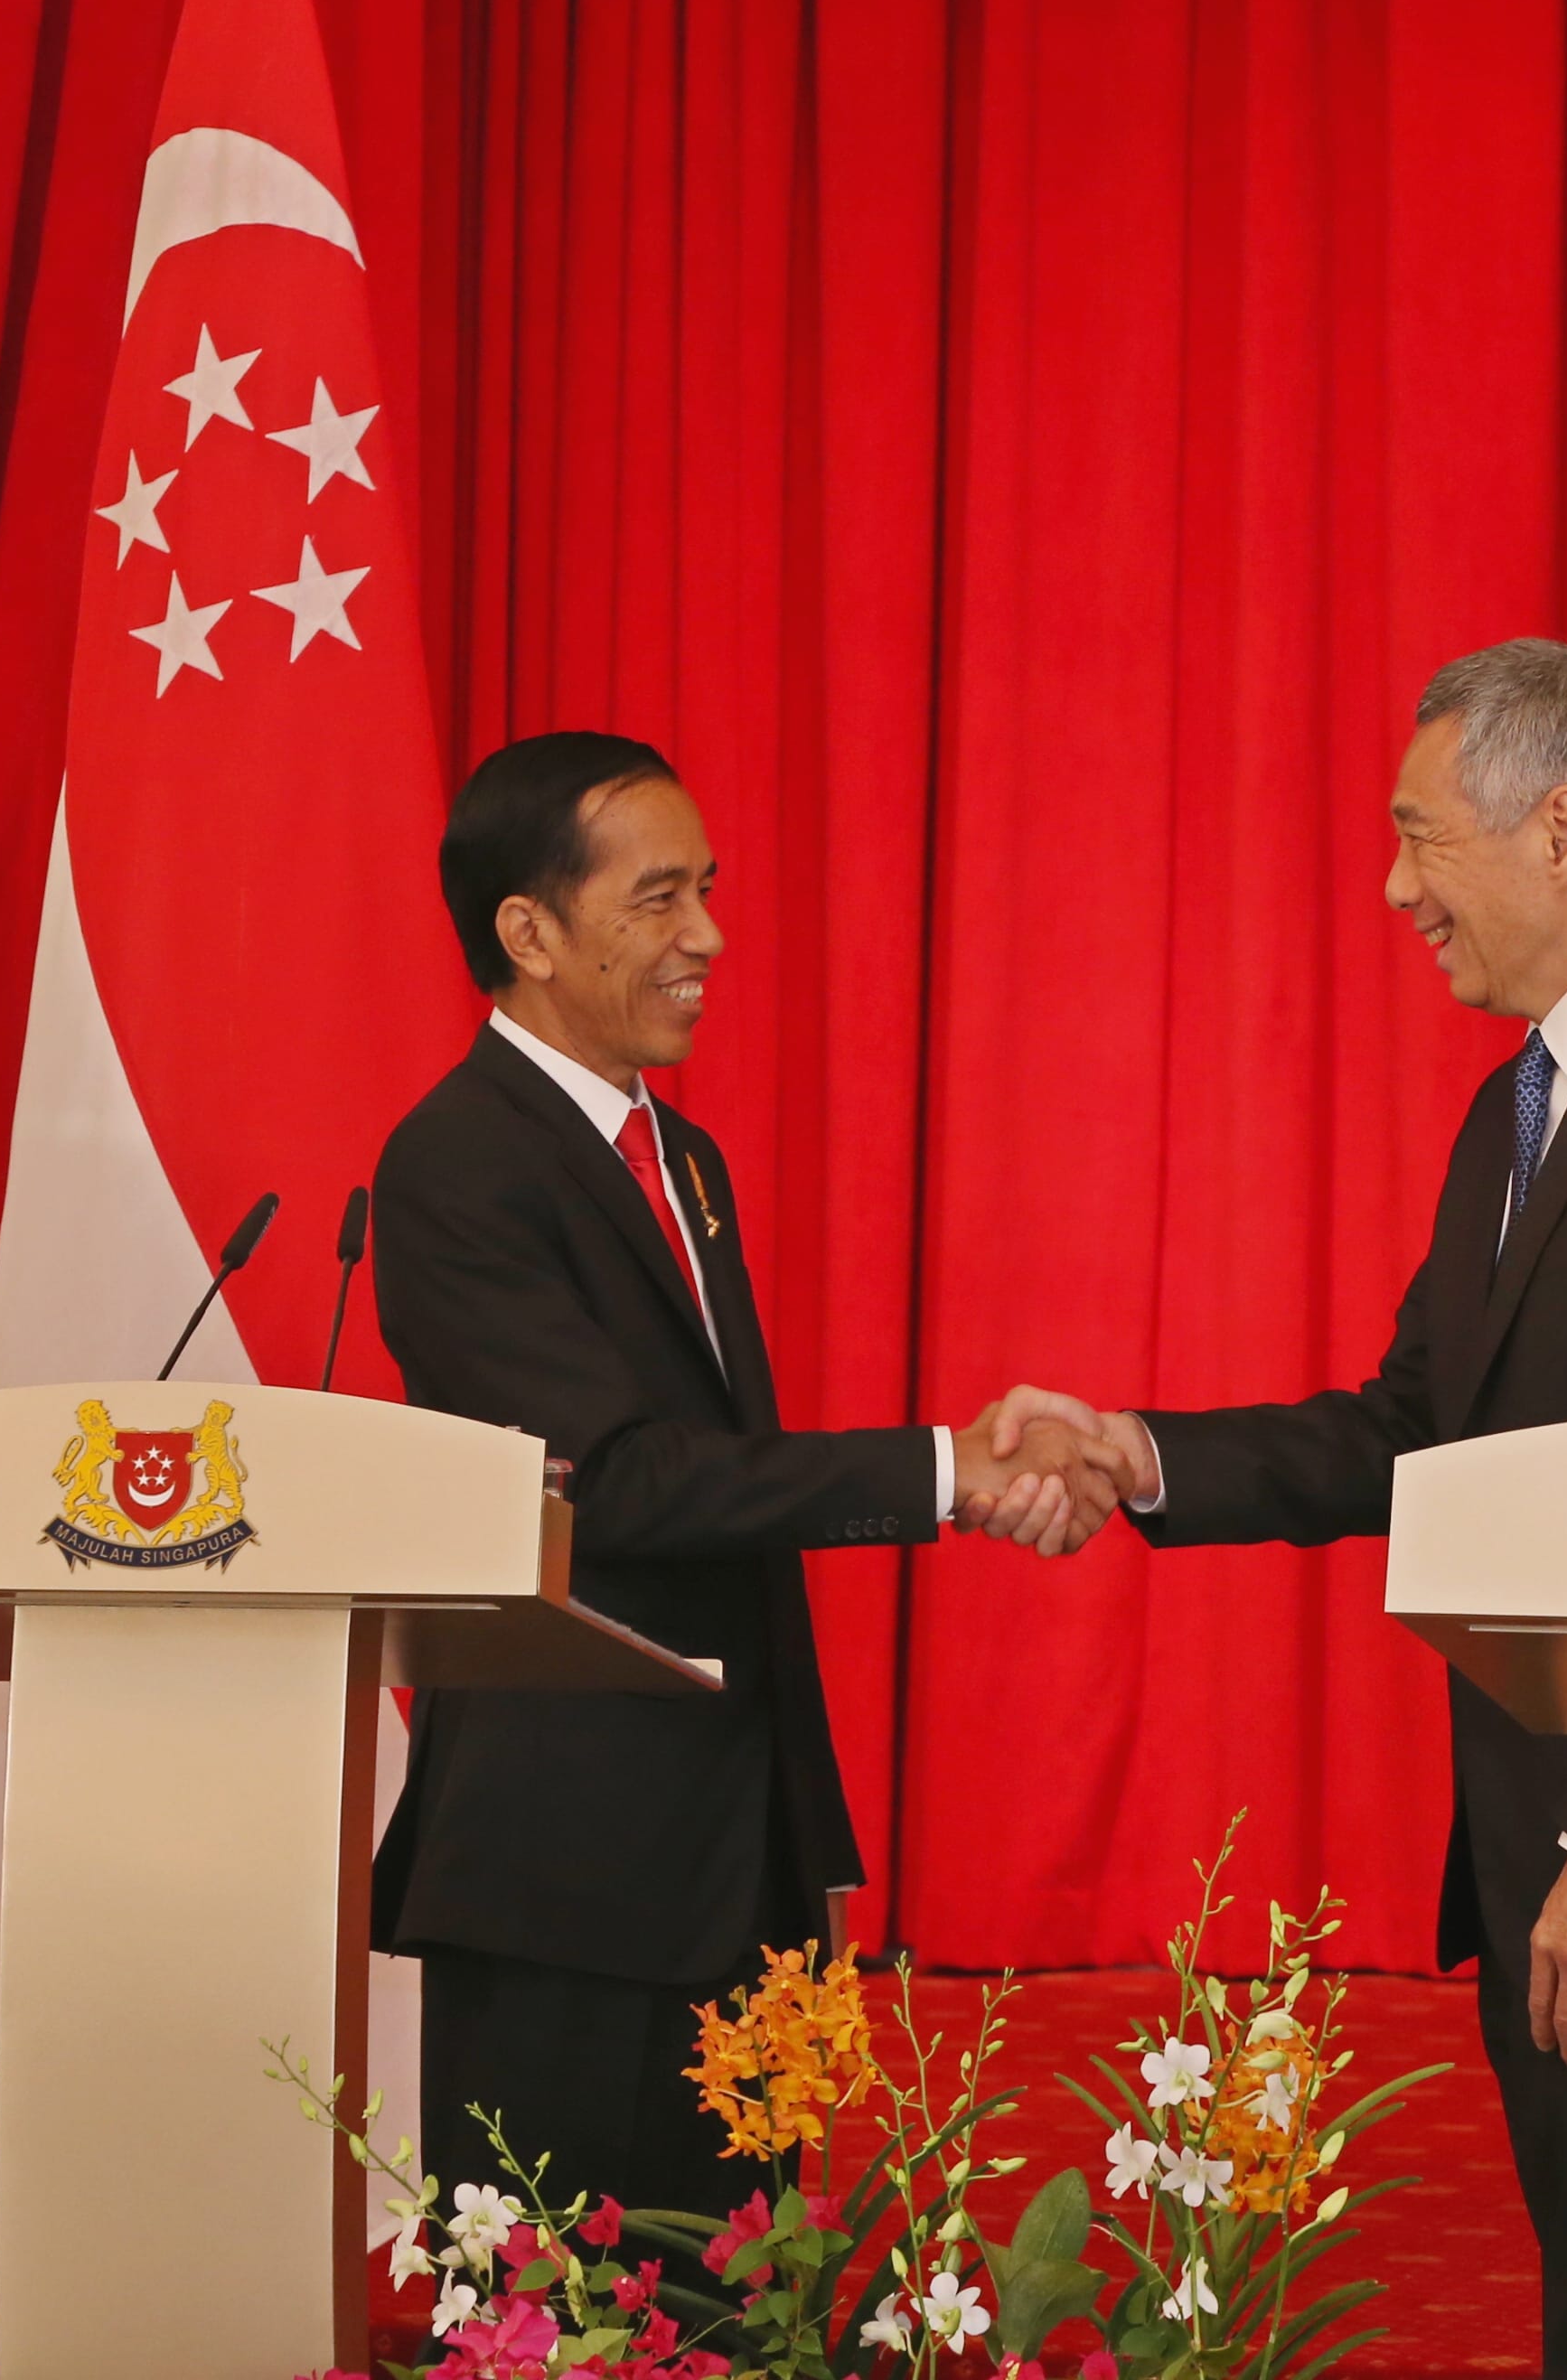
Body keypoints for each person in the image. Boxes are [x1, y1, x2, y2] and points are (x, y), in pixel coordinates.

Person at [990, 638, 1567, 2378]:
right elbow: (1416, 1435)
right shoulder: (1521, 1105)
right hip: (1543, 1854)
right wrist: (1135, 1450)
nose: (1394, 889)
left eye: (1418, 839)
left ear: (1561, 831)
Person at [366, 730, 1092, 2224]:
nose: (707, 936)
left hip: (730, 1858)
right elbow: (629, 1485)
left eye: (707, 890)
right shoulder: (458, 1165)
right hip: (568, 1871)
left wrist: (803, 1833)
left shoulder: (680, 1157)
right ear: (530, 932)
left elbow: (729, 1512)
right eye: (658, 899)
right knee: (557, 2310)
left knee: (739, 2298)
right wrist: (946, 1472)